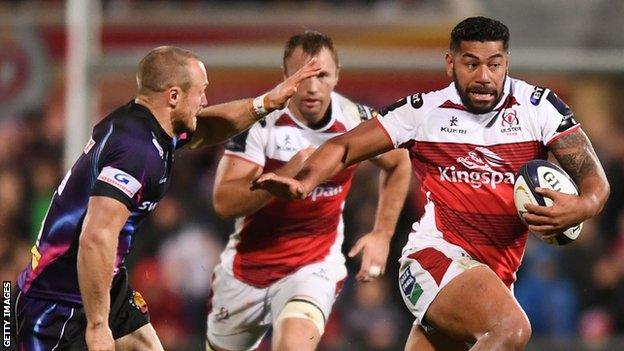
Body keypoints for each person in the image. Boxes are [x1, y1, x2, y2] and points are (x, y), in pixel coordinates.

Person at [253, 17, 610, 351]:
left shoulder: (538, 108)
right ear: (450, 63)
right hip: (433, 261)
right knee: (511, 329)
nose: (484, 75)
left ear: (507, 62)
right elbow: (343, 146)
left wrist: (585, 204)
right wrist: (304, 182)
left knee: (500, 325)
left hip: (493, 280)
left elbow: (593, 177)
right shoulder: (423, 112)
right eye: (471, 63)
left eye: (495, 64)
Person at [12, 45, 321, 351]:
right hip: (61, 299)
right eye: (200, 92)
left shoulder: (144, 124)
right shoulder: (137, 152)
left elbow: (207, 127)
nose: (205, 101)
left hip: (103, 278)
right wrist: (97, 325)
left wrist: (265, 103)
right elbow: (96, 236)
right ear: (173, 96)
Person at [205, 31, 411, 351]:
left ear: (337, 75)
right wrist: (282, 177)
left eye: (323, 75)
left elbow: (400, 162)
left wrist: (382, 235)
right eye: (304, 77)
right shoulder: (262, 125)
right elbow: (224, 202)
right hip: (247, 270)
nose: (313, 88)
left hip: (313, 266)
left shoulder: (355, 119)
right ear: (286, 77)